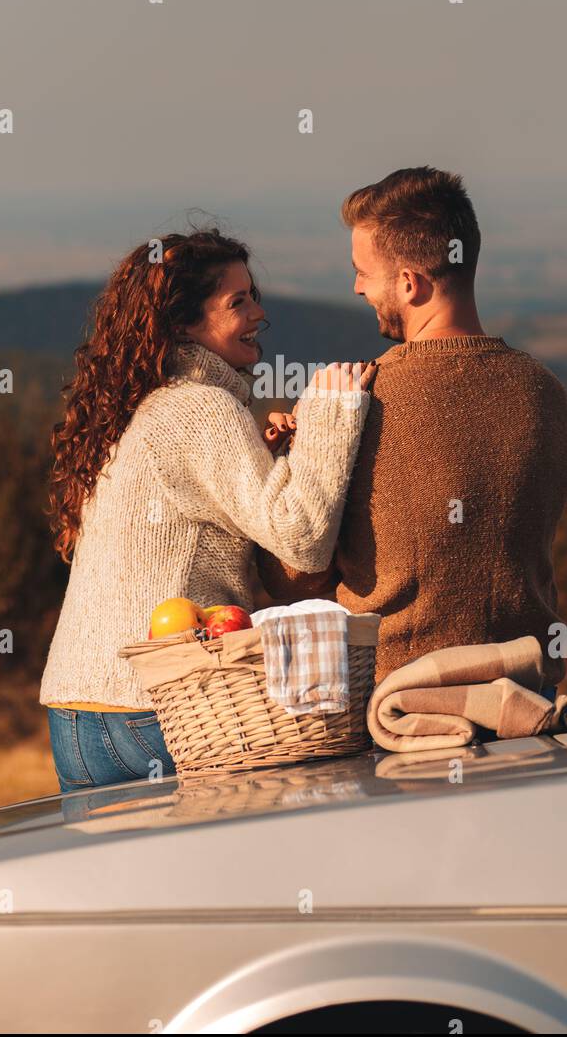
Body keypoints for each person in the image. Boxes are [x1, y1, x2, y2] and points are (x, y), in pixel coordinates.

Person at [40, 229, 375, 792]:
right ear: (183, 324)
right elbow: (301, 537)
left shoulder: (142, 405)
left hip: (77, 715)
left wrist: (275, 461)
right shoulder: (201, 408)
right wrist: (332, 413)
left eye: (254, 295)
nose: (259, 313)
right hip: (157, 710)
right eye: (237, 302)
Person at [258, 166, 567, 699]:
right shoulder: (546, 392)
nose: (356, 285)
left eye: (363, 271)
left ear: (409, 283)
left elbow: (294, 579)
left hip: (395, 705)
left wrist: (286, 465)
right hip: (525, 695)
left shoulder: (355, 402)